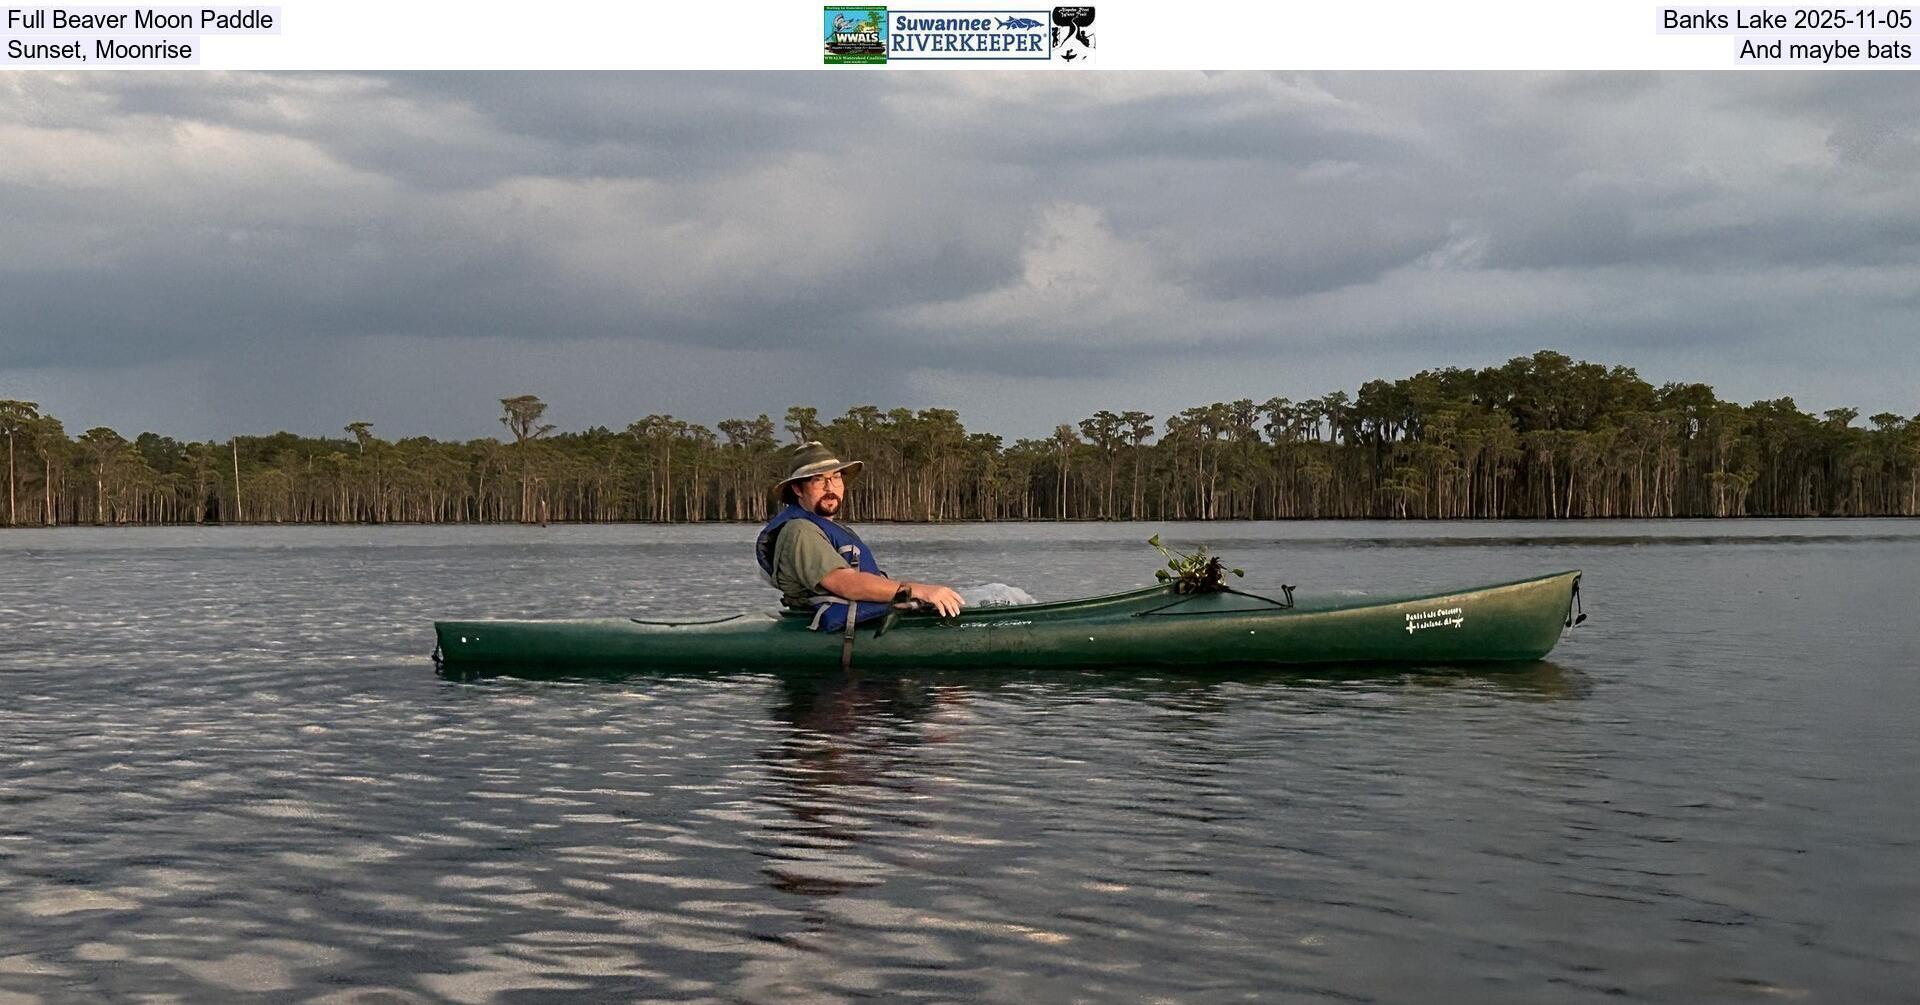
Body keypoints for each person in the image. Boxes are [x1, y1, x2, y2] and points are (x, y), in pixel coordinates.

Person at [755, 441, 965, 632]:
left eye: (836, 478)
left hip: (859, 621)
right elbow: (846, 584)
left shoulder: (833, 529)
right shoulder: (800, 531)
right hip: (827, 628)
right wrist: (918, 590)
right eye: (818, 480)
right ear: (798, 489)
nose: (830, 488)